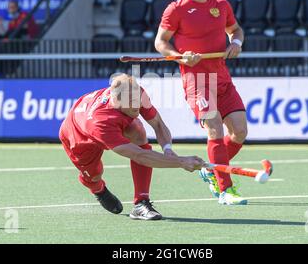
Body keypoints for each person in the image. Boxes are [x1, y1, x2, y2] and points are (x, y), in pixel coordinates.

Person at [154, 0, 248, 205]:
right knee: (215, 127)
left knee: (239, 132)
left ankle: (211, 169)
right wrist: (179, 56)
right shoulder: (175, 9)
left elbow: (236, 30)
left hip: (222, 76)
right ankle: (225, 189)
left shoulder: (221, 5)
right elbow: (160, 43)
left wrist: (236, 44)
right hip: (197, 79)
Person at [59, 74, 205, 220]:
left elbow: (158, 124)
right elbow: (139, 155)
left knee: (137, 132)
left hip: (106, 119)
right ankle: (98, 190)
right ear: (117, 101)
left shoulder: (137, 93)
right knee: (94, 175)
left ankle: (141, 203)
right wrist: (181, 162)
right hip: (78, 137)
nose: (137, 106)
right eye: (131, 102)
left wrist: (167, 149)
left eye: (137, 101)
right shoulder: (100, 122)